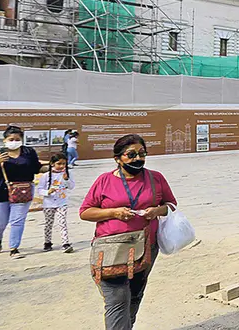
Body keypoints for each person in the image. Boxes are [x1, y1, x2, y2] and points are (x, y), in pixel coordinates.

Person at [80, 134, 177, 330]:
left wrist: (157, 210)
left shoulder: (155, 178)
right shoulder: (104, 181)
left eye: (142, 154)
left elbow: (171, 205)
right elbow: (85, 212)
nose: (137, 159)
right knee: (117, 299)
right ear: (118, 159)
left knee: (135, 294)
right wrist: (114, 212)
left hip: (146, 247)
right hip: (111, 249)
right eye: (131, 155)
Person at [0, 125, 45, 258]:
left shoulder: (28, 152)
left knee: (17, 220)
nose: (14, 141)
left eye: (17, 139)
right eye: (11, 139)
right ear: (4, 140)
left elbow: (36, 168)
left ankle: (14, 248)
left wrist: (53, 168)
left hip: (22, 192)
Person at [37, 152, 75, 253]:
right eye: (59, 164)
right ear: (52, 163)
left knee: (62, 222)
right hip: (49, 203)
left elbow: (71, 186)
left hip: (61, 202)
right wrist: (47, 192)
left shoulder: (67, 174)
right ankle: (47, 242)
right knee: (49, 223)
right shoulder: (45, 176)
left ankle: (65, 243)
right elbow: (40, 189)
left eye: (64, 164)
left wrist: (66, 180)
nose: (61, 166)